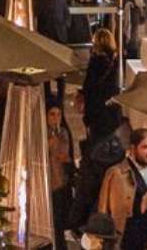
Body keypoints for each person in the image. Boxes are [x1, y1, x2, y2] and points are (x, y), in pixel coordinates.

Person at [97, 128, 147, 250]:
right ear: (133, 149)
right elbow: (103, 209)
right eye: (145, 147)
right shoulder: (116, 173)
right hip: (129, 237)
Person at [81, 27, 124, 141]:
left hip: (96, 109)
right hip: (111, 108)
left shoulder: (96, 61)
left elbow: (89, 86)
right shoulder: (115, 59)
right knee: (109, 140)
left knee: (96, 142)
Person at [47, 105, 78, 250]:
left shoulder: (63, 133)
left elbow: (66, 156)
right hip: (48, 183)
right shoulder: (43, 134)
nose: (56, 118)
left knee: (59, 223)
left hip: (61, 184)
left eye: (58, 114)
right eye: (52, 114)